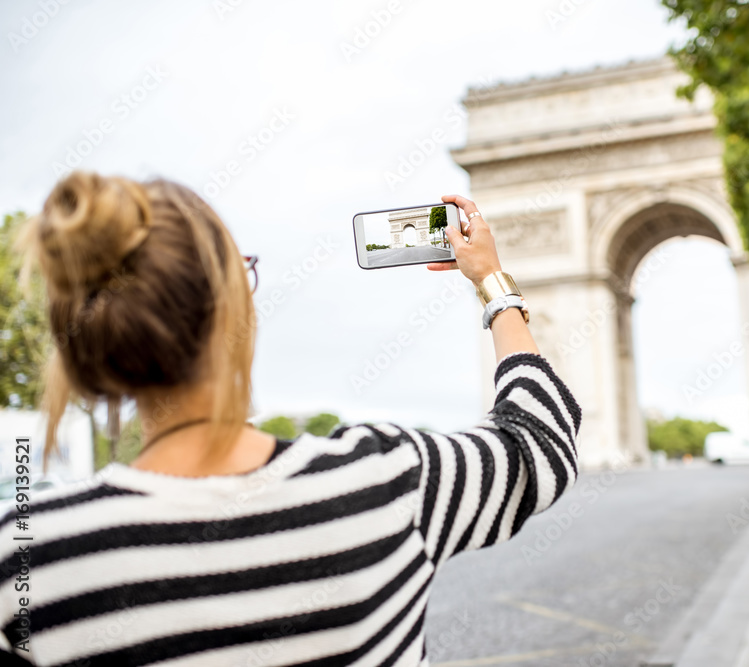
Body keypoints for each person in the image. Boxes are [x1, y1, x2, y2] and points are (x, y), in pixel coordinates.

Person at [0, 172, 581, 666]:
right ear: (234, 310)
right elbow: (540, 440)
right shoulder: (385, 480)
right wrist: (492, 285)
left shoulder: (26, 561)